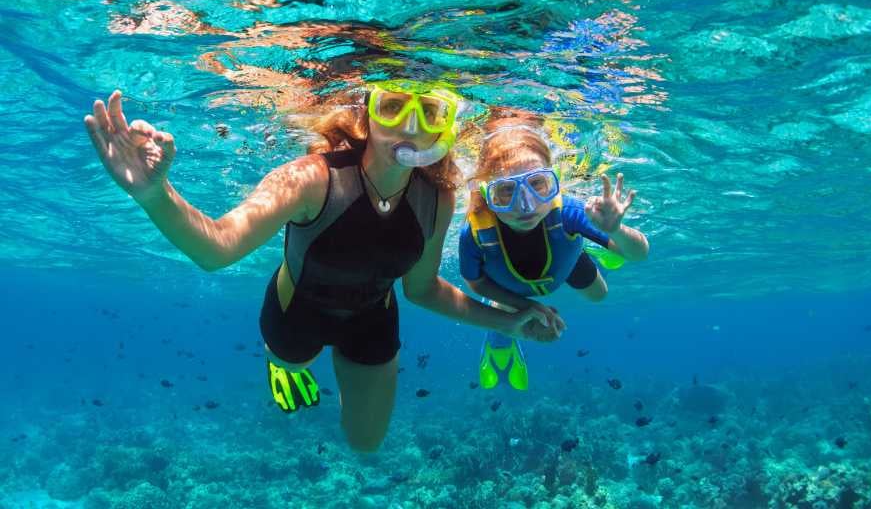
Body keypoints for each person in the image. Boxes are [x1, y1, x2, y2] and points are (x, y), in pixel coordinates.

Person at [84, 80, 563, 452]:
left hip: (374, 319)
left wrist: (511, 321)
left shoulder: (437, 197)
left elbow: (422, 290)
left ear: (443, 126)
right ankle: (283, 365)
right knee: (291, 360)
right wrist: (153, 193)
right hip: (296, 312)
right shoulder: (312, 178)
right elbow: (217, 248)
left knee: (365, 444)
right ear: (367, 115)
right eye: (392, 106)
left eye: (429, 111)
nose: (410, 125)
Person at [459, 113, 649, 391]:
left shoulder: (569, 211)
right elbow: (475, 283)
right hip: (510, 288)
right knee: (505, 313)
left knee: (600, 295)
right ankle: (500, 344)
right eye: (506, 191)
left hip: (566, 262)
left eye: (537, 184)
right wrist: (527, 307)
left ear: (555, 181)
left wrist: (616, 230)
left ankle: (598, 246)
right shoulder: (475, 233)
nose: (525, 206)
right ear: (487, 194)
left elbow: (639, 254)